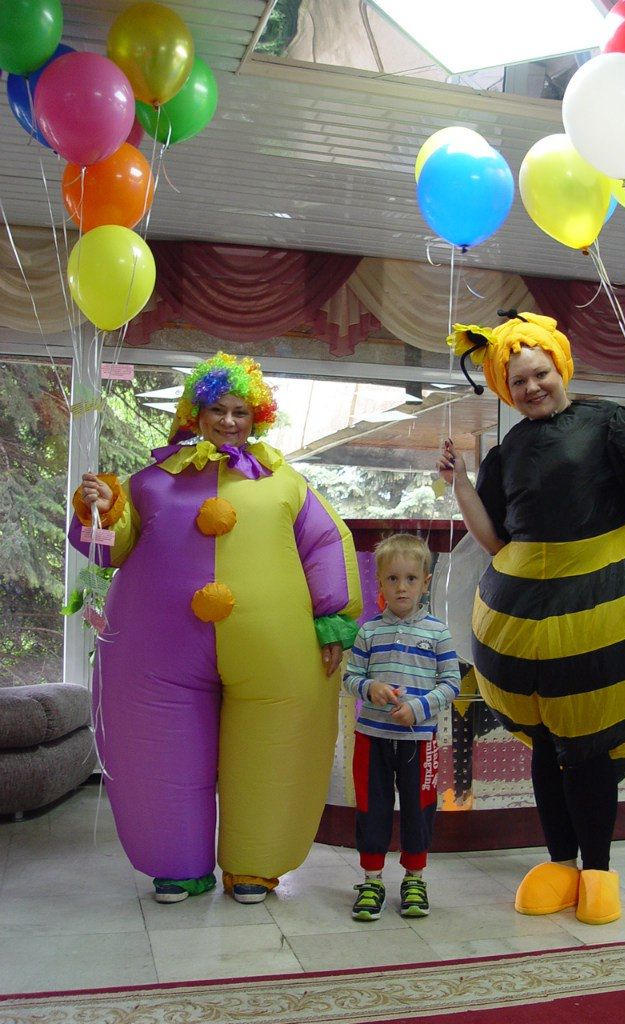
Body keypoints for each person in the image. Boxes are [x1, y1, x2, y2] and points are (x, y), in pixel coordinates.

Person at [436, 312, 625, 926]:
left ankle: (598, 871)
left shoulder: (610, 421)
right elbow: (495, 540)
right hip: (526, 621)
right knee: (544, 743)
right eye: (519, 382)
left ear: (561, 367)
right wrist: (460, 484)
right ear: (506, 390)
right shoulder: (508, 452)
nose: (532, 387)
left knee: (587, 747)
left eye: (541, 374)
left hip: (605, 611)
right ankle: (560, 863)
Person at [70, 352, 362, 904]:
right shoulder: (150, 483)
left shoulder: (286, 483)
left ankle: (256, 865)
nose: (229, 421)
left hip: (274, 649)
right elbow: (108, 550)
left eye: (240, 412)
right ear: (195, 415)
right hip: (158, 649)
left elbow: (327, 542)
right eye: (217, 410)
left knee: (274, 747)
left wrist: (333, 620)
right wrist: (101, 512)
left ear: (257, 418)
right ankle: (175, 864)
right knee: (158, 746)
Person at [342, 533, 460, 921]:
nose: (401, 587)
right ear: (380, 582)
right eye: (392, 579)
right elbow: (350, 677)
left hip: (419, 741)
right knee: (371, 808)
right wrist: (370, 688)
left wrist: (419, 708)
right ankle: (371, 880)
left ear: (426, 582)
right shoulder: (368, 632)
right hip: (371, 739)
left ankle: (414, 878)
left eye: (410, 579)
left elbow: (452, 684)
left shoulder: (438, 632)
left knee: (418, 809)